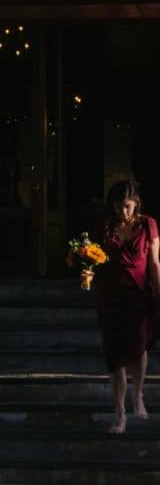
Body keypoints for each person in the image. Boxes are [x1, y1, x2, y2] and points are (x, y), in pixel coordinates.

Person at [95, 179, 160, 434]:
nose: (123, 212)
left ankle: (138, 395)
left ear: (136, 204)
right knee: (114, 353)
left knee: (139, 344)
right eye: (119, 207)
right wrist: (87, 270)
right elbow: (95, 255)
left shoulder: (148, 224)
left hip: (139, 294)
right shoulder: (108, 226)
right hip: (111, 295)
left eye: (128, 206)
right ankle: (119, 412)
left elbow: (154, 262)